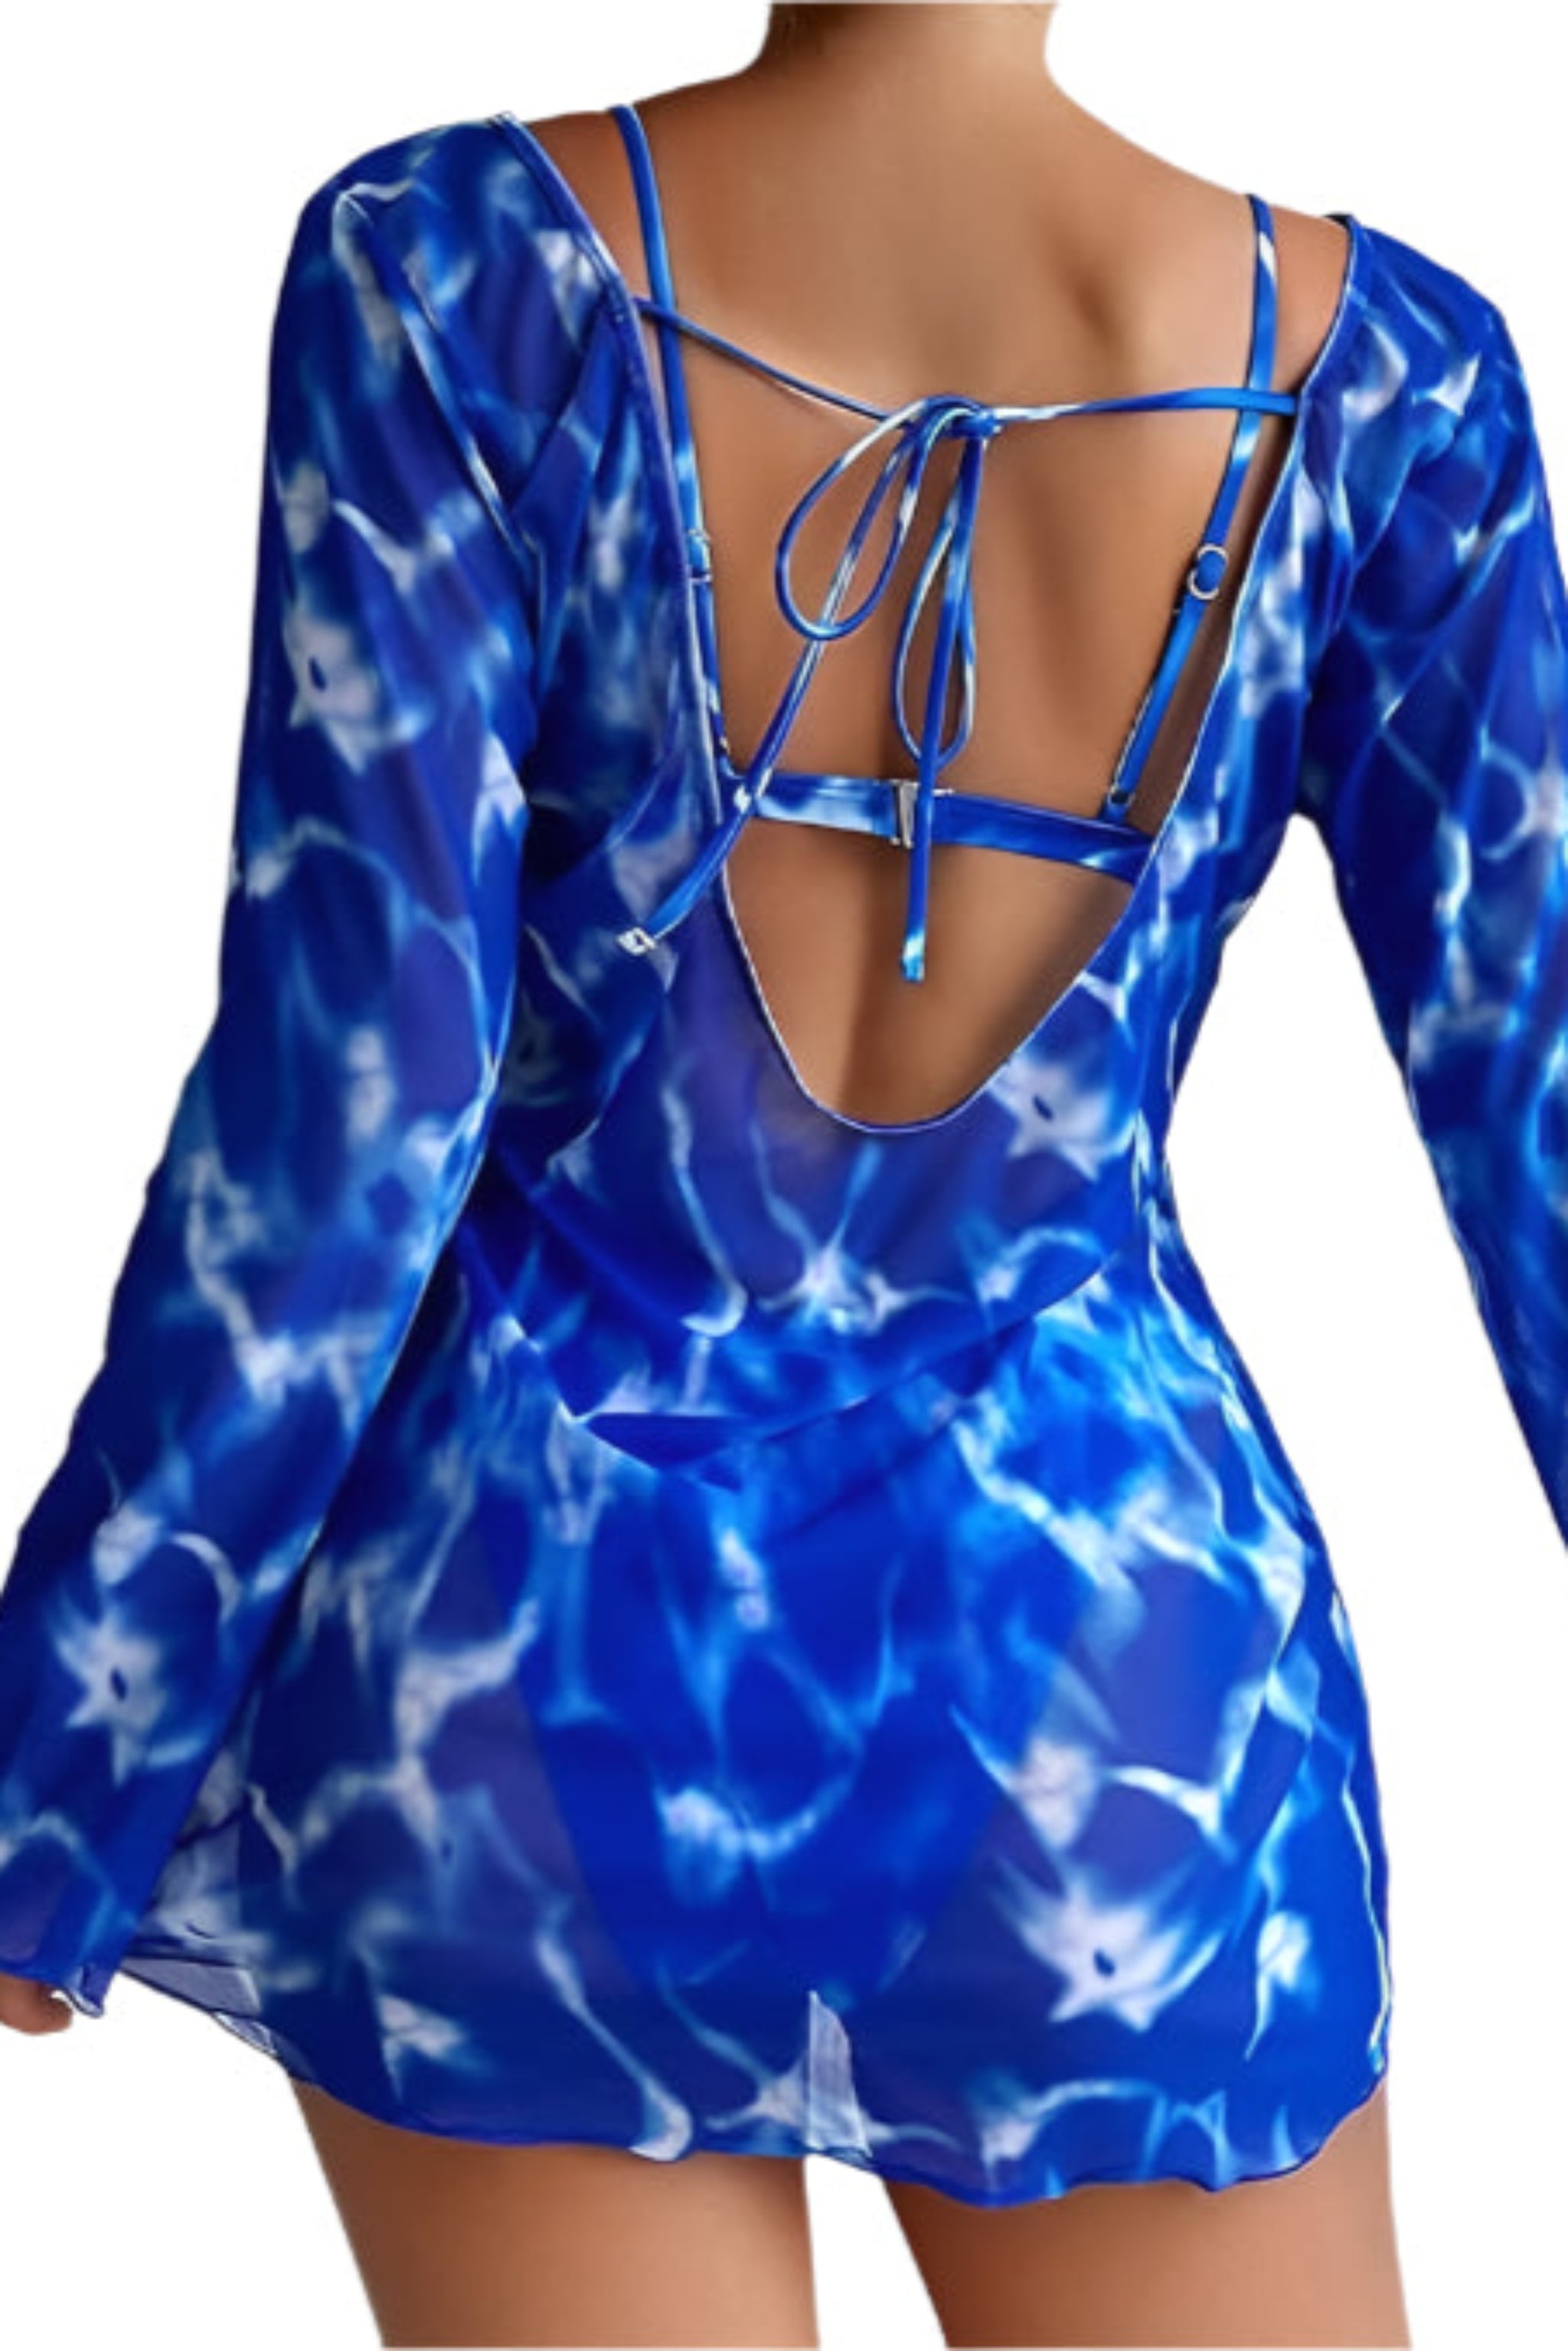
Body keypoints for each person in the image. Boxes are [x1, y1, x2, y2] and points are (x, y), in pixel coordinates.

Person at [5, 2, 1564, 2342]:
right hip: (1113, 1718)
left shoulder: (450, 269)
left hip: (516, 1693)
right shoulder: (1392, 388)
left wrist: (60, 1775)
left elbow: (336, 1144)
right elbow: (1544, 1124)